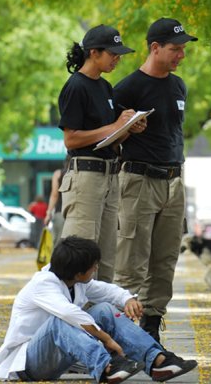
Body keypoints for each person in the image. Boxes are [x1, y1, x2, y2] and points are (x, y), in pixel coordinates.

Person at [0, 236, 198, 383]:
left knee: (104, 308)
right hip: (28, 364)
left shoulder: (74, 281)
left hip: (57, 358)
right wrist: (106, 339)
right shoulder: (43, 284)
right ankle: (106, 368)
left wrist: (127, 299)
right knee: (62, 320)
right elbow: (70, 314)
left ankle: (157, 361)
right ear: (78, 272)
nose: (96, 269)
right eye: (93, 266)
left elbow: (105, 291)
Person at [112, 17, 197, 342]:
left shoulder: (178, 86)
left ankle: (151, 326)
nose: (181, 56)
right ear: (155, 48)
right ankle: (119, 332)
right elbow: (108, 138)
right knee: (132, 259)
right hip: (139, 180)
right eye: (176, 49)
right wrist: (124, 130)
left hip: (174, 182)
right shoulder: (127, 88)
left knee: (165, 259)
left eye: (183, 49)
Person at [58, 24, 146, 283]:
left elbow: (109, 136)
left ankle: (101, 317)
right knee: (80, 253)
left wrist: (129, 129)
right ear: (94, 53)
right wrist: (115, 126)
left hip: (110, 175)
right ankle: (72, 318)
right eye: (113, 54)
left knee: (107, 256)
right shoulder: (76, 86)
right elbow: (70, 138)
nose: (117, 59)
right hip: (85, 175)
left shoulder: (106, 88)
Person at [44, 157, 70, 248]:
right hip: (76, 213)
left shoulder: (58, 174)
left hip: (61, 213)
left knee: (59, 244)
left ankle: (58, 262)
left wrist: (48, 213)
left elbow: (54, 195)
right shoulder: (79, 174)